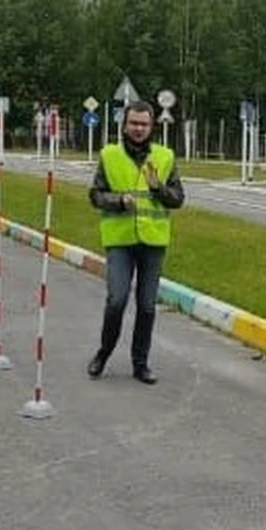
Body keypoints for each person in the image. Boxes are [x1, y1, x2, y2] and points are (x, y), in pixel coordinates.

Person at [87, 101, 185, 385]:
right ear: (124, 124)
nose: (139, 129)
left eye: (144, 124)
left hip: (153, 241)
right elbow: (95, 195)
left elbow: (178, 199)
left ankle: (140, 363)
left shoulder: (165, 157)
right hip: (120, 240)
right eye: (134, 123)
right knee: (116, 300)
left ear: (151, 126)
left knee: (147, 306)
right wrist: (118, 201)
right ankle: (103, 354)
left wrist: (159, 189)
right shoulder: (110, 155)